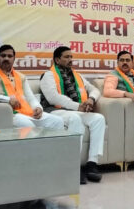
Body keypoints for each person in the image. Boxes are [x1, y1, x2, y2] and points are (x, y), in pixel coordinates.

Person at [40, 46, 105, 184]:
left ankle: (92, 163)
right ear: (57, 60)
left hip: (76, 110)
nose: (70, 60)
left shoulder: (76, 75)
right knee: (75, 118)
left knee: (99, 118)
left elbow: (94, 89)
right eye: (66, 57)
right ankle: (73, 167)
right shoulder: (48, 75)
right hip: (55, 111)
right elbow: (53, 98)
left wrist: (91, 99)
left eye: (71, 57)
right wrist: (78, 106)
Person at [0, 44, 64, 130]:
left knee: (57, 121)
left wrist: (38, 107)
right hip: (12, 114)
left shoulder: (21, 76)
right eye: (3, 56)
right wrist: (7, 99)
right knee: (27, 125)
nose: (6, 58)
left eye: (9, 56)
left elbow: (30, 98)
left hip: (28, 112)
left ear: (14, 59)